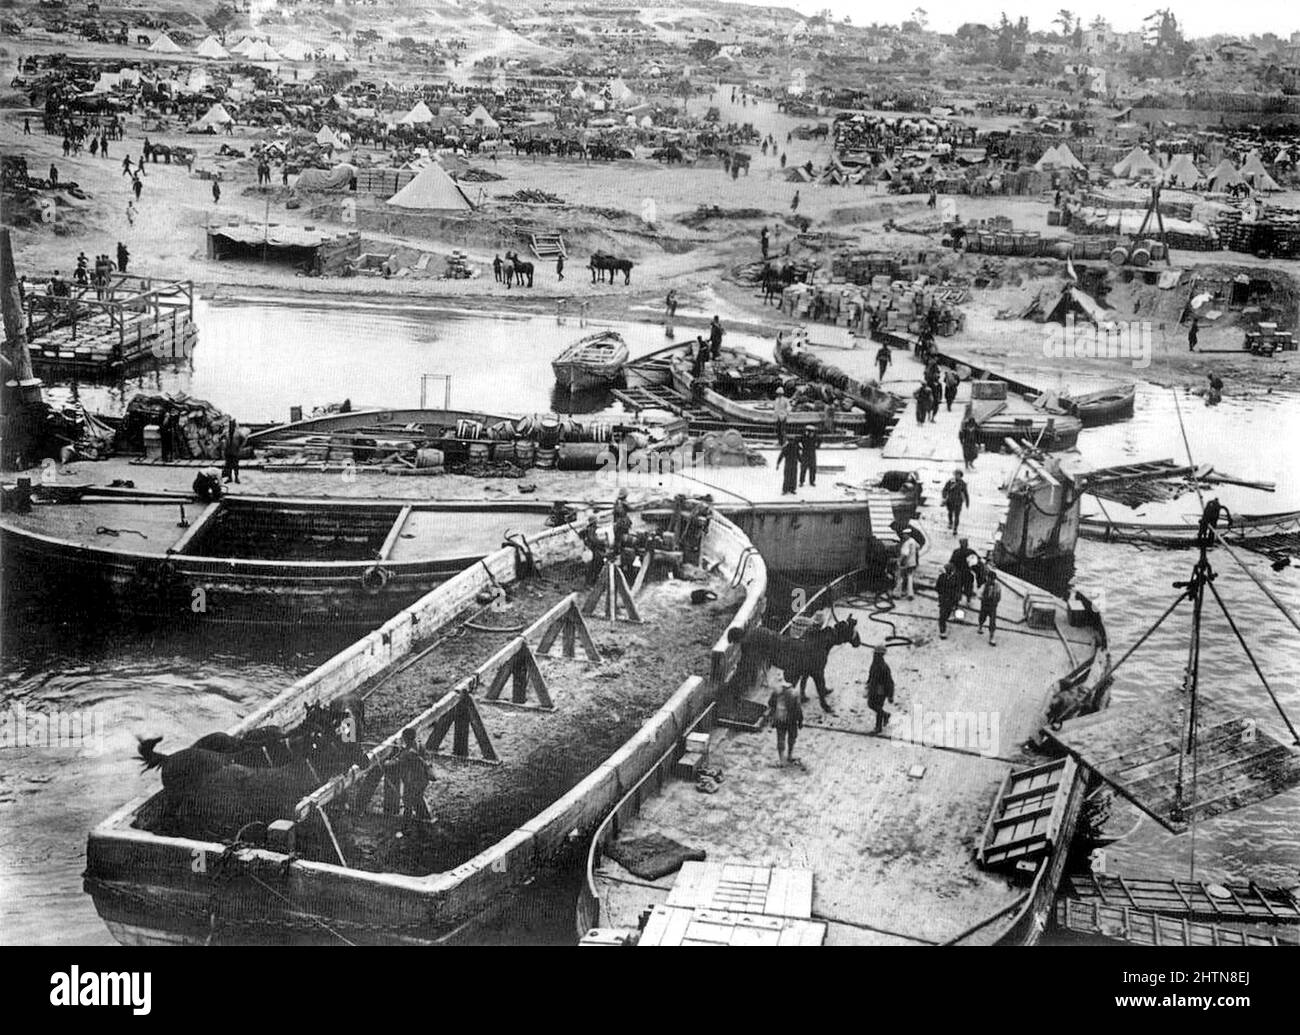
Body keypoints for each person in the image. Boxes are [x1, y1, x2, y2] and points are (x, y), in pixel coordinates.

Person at [767, 682, 803, 766]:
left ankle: (781, 759)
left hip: (779, 719)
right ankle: (790, 755)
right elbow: (798, 709)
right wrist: (800, 720)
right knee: (792, 737)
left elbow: (770, 703)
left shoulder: (776, 691)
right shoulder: (794, 693)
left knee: (780, 738)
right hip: (791, 720)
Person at [865, 646, 895, 734]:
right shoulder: (874, 664)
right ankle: (885, 715)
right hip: (874, 688)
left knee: (877, 706)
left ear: (880, 655)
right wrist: (869, 682)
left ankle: (878, 727)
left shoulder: (883, 667)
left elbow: (889, 681)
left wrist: (890, 695)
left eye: (876, 654)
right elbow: (871, 675)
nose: (874, 655)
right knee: (871, 704)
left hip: (880, 690)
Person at [936, 562, 962, 640]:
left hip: (951, 600)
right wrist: (941, 594)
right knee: (942, 616)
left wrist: (957, 599)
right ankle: (942, 632)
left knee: (947, 614)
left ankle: (943, 625)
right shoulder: (941, 577)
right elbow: (937, 587)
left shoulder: (956, 578)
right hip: (943, 599)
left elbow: (958, 589)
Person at [977, 570, 1002, 646]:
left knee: (992, 621)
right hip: (985, 604)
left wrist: (996, 602)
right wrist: (982, 598)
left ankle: (991, 637)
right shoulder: (984, 585)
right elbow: (979, 594)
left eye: (992, 579)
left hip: (992, 606)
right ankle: (980, 626)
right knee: (982, 617)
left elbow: (999, 596)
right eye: (990, 578)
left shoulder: (997, 586)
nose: (991, 580)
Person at [950, 538, 978, 603]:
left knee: (958, 588)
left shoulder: (956, 551)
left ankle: (957, 601)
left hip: (958, 573)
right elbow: (975, 563)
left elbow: (952, 562)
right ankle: (968, 600)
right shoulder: (971, 552)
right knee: (967, 588)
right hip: (967, 573)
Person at [579, 515, 606, 585]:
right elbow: (594, 540)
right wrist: (602, 543)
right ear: (594, 522)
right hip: (594, 551)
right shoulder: (591, 529)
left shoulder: (588, 529)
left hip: (593, 550)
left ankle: (591, 581)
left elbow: (580, 535)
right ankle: (591, 582)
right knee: (595, 566)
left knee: (592, 567)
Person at [221, 418, 246, 485]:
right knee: (228, 465)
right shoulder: (226, 433)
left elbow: (244, 439)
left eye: (233, 425)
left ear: (234, 426)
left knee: (235, 466)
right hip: (228, 452)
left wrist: (240, 446)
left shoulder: (238, 433)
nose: (231, 426)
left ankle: (236, 478)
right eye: (230, 425)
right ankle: (229, 478)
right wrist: (223, 445)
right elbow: (221, 438)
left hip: (235, 452)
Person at [895, 530, 919, 600]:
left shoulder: (907, 543)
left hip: (906, 563)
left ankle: (897, 593)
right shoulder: (913, 540)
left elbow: (905, 554)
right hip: (912, 562)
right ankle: (910, 593)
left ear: (907, 535)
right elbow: (918, 547)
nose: (903, 536)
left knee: (900, 577)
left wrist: (899, 561)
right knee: (910, 577)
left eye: (904, 534)